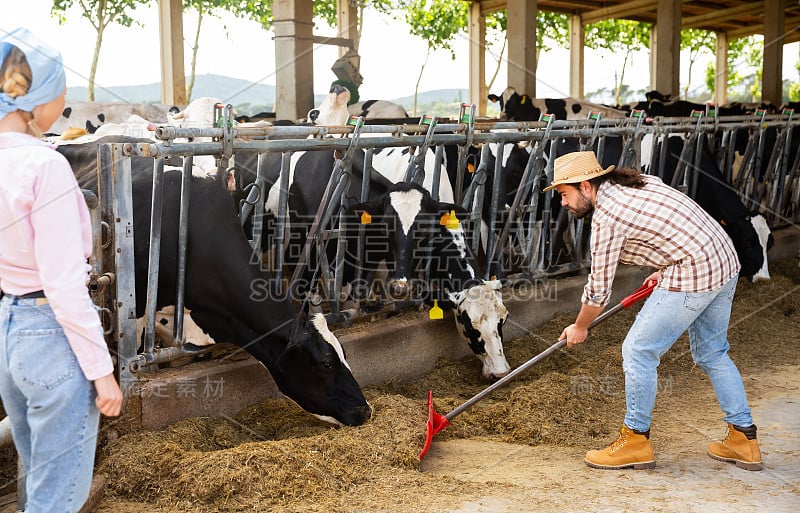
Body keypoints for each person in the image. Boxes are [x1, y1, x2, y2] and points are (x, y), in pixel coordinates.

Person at [544, 151, 762, 471]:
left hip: (694, 271)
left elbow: (598, 292)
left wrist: (580, 327)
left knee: (638, 351)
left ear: (587, 187)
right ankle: (744, 439)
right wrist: (666, 264)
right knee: (713, 352)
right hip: (723, 259)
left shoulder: (607, 218)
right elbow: (673, 223)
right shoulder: (637, 181)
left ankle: (635, 440)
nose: (563, 202)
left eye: (564, 194)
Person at [0, 28, 124, 512]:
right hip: (50, 335)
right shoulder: (43, 166)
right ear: (32, 100)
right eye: (59, 89)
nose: (66, 98)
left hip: (10, 330)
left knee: (38, 480)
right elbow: (63, 284)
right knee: (57, 499)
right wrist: (102, 373)